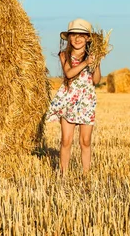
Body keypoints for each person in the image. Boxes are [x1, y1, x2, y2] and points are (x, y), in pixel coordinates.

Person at [45, 18, 102, 175]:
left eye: (82, 35)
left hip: (87, 101)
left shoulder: (92, 57)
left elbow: (96, 80)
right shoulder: (64, 55)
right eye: (74, 35)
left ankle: (86, 173)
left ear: (88, 38)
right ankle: (63, 173)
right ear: (69, 38)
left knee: (85, 141)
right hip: (69, 100)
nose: (77, 39)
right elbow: (69, 73)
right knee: (66, 140)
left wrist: (95, 63)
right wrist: (85, 63)